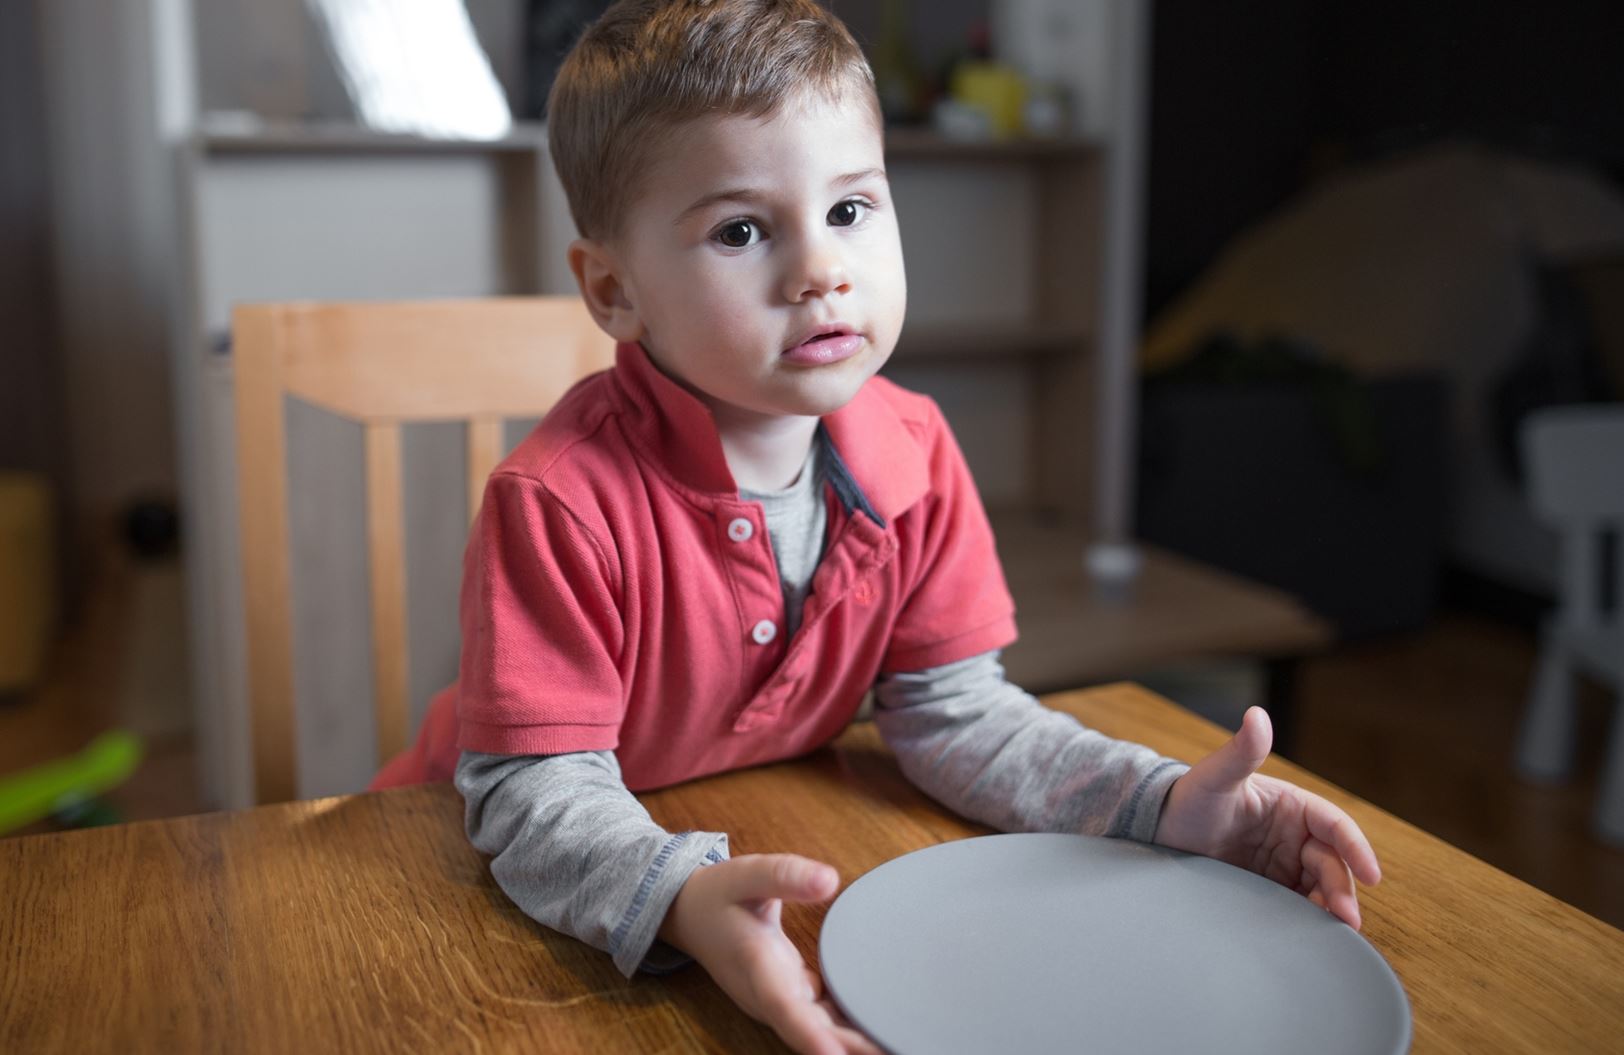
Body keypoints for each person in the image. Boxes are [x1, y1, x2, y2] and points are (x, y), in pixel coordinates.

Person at [373, 2, 1382, 1052]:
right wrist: (676, 895)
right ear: (614, 289)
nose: (819, 270)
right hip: (491, 874)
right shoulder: (558, 502)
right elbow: (533, 790)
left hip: (760, 827)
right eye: (742, 230)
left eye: (850, 209)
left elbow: (956, 716)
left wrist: (1161, 802)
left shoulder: (913, 452)